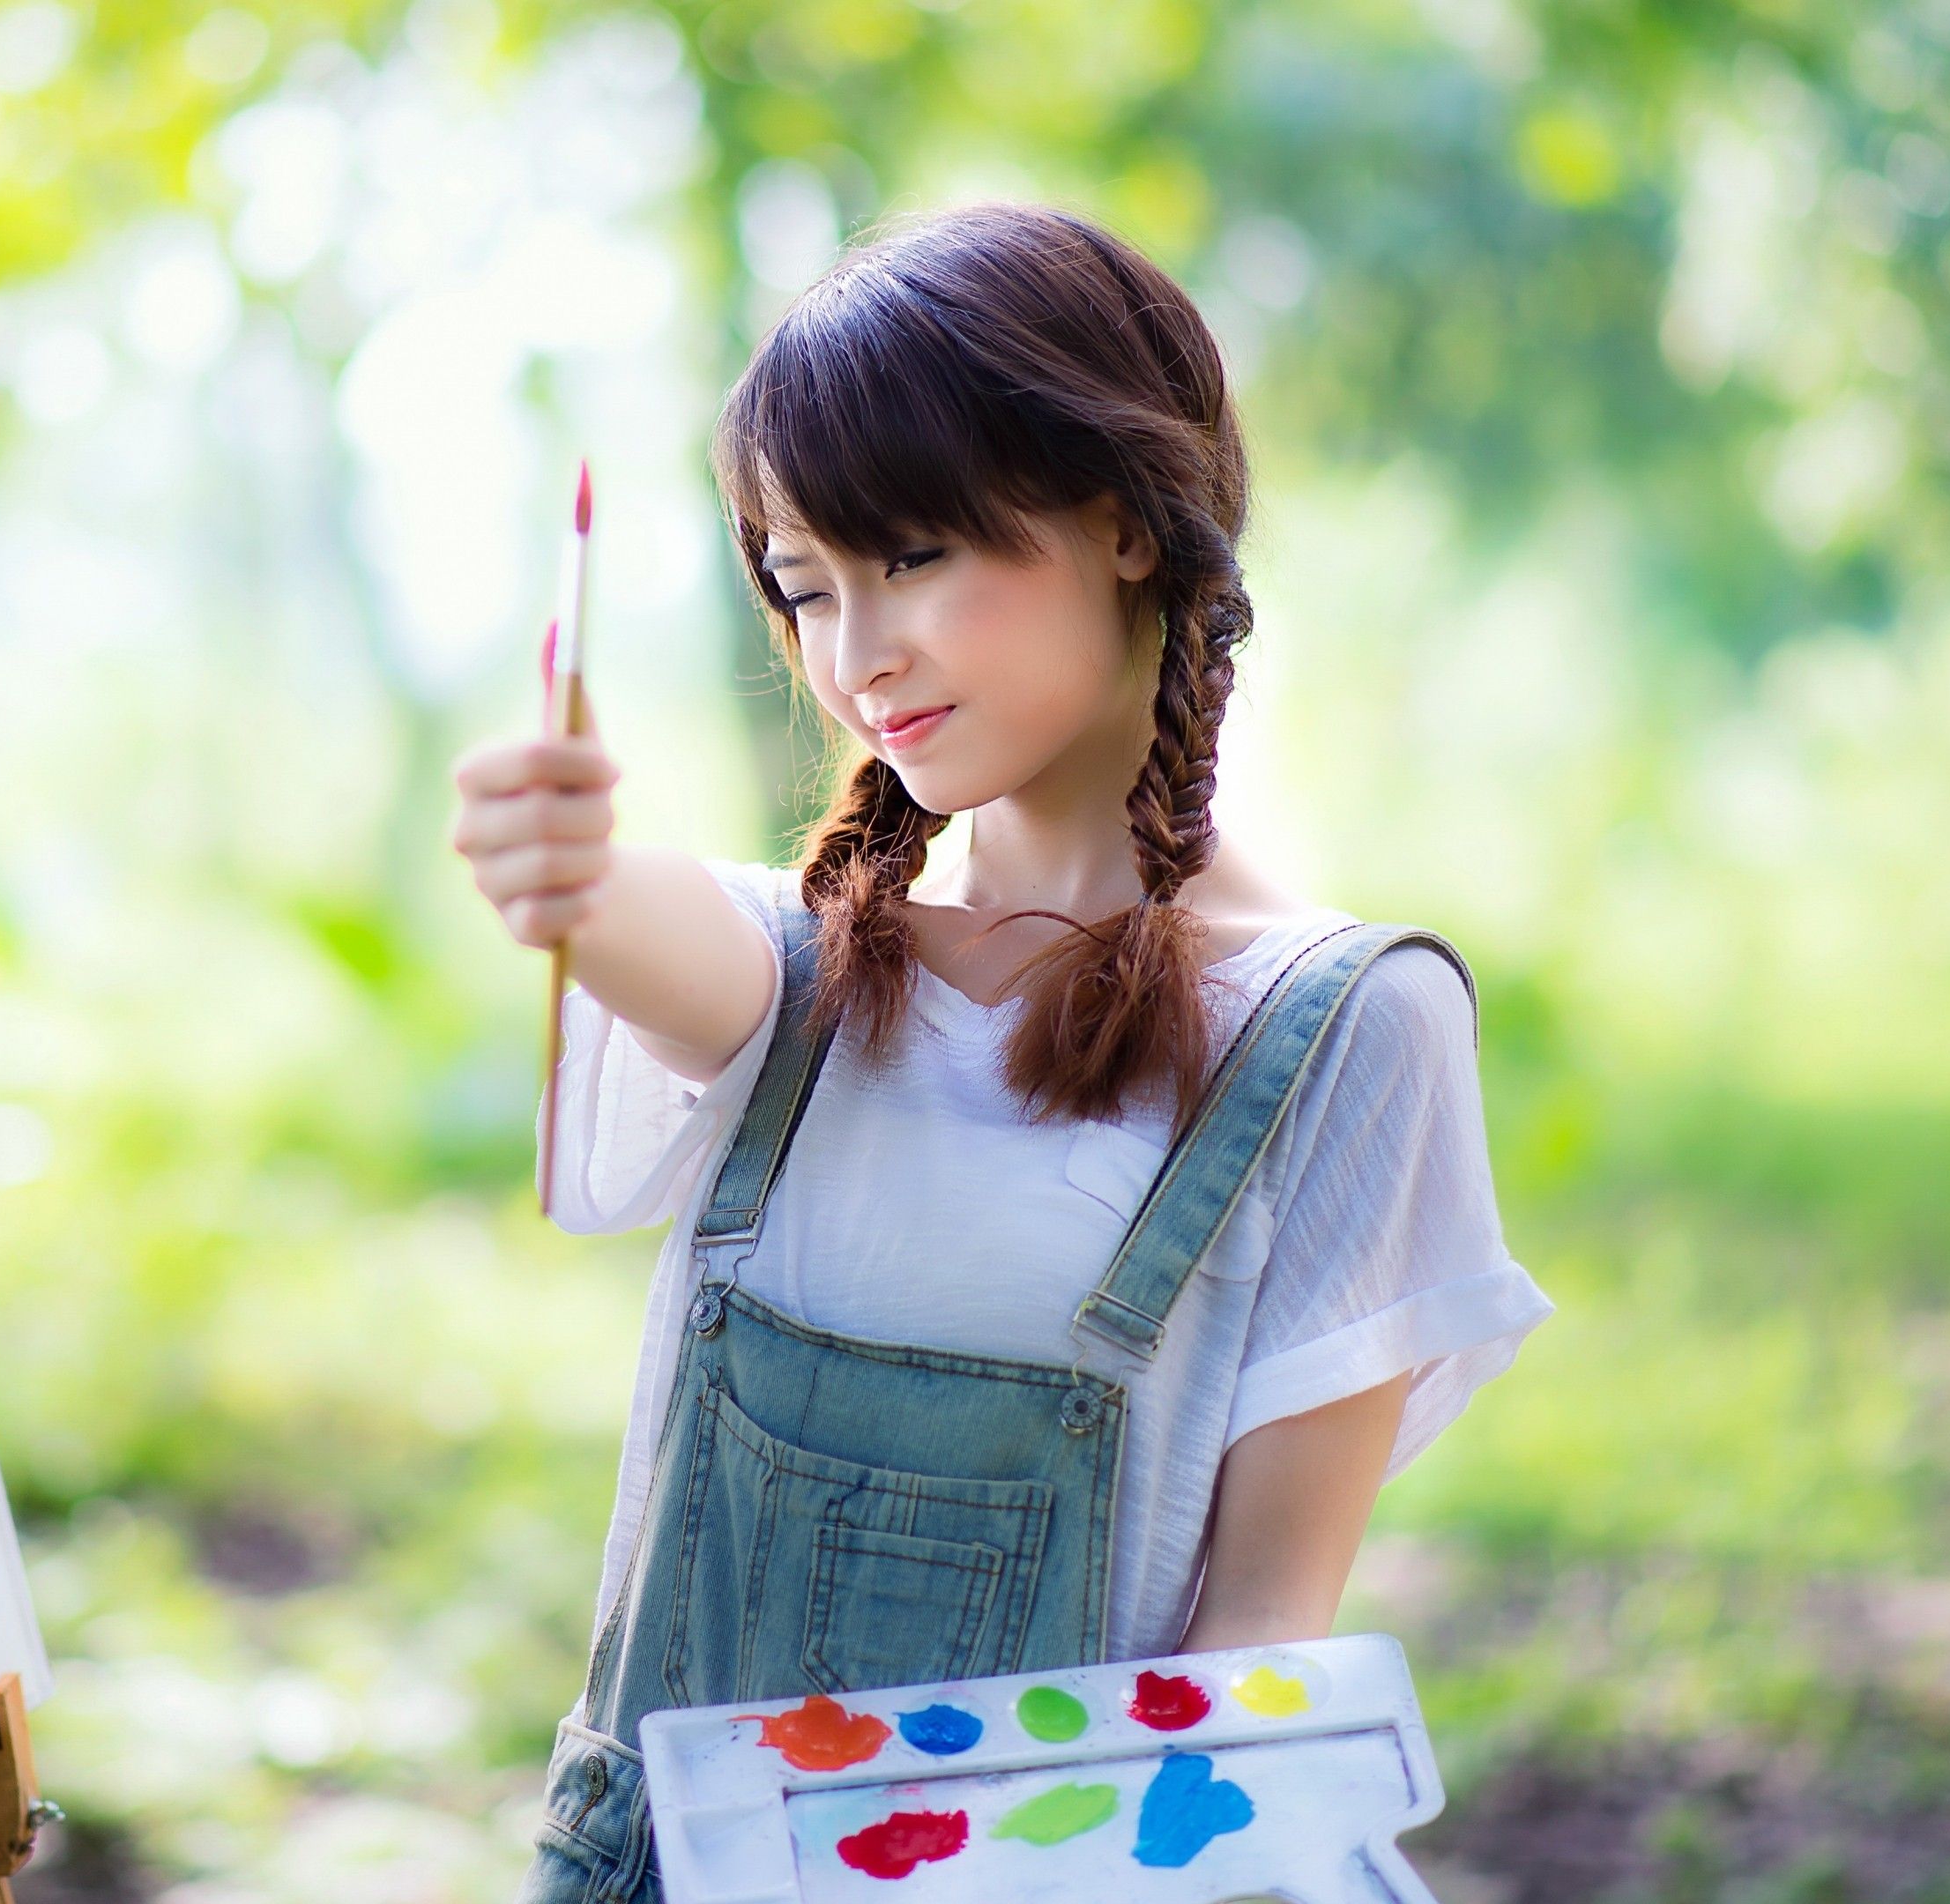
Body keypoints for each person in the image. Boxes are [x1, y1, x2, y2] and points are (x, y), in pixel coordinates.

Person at [450, 201, 1552, 1904]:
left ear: (1121, 524)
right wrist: (566, 872)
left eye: (908, 561)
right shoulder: (798, 975)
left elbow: (1263, 1633)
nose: (854, 655)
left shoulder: (1344, 1028)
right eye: (804, 590)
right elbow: (651, 930)